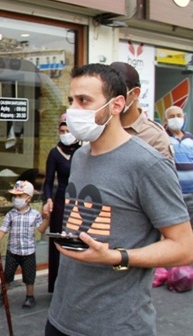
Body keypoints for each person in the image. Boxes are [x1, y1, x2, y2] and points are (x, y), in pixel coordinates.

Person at [46, 63, 193, 336]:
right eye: (71, 100)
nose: (73, 110)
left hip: (117, 326)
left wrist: (116, 256)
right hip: (61, 318)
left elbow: (184, 248)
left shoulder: (148, 164)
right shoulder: (79, 157)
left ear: (116, 105)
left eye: (84, 100)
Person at [0, 180, 49, 309]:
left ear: (28, 198)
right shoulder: (10, 214)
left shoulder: (34, 214)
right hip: (12, 251)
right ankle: (3, 295)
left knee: (29, 276)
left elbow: (41, 229)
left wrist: (47, 219)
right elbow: (3, 230)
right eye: (15, 196)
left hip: (28, 251)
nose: (16, 199)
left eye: (19, 196)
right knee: (7, 275)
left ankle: (30, 296)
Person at [41, 115, 81, 293]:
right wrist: (48, 199)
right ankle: (57, 287)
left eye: (68, 131)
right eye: (62, 131)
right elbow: (48, 181)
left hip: (80, 202)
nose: (64, 134)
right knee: (59, 243)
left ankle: (75, 286)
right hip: (60, 202)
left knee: (77, 242)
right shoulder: (55, 153)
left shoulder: (83, 152)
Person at [109, 61, 173, 160]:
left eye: (117, 92)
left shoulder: (154, 136)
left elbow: (163, 175)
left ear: (135, 93)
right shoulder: (100, 127)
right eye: (106, 92)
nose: (111, 98)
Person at [164, 105, 193, 227]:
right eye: (171, 116)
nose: (176, 119)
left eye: (178, 115)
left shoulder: (190, 138)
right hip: (174, 193)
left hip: (191, 193)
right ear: (166, 120)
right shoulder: (163, 138)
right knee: (177, 227)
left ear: (184, 117)